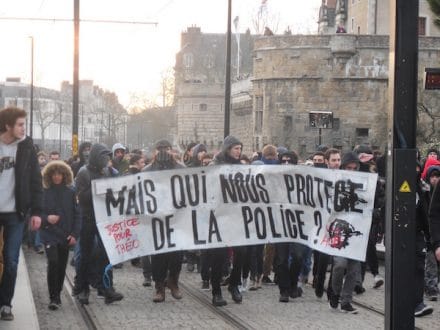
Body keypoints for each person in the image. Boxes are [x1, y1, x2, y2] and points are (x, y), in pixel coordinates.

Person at [0, 107, 43, 321]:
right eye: (19, 124)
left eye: (24, 124)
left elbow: (36, 181)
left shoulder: (26, 146)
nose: (23, 128)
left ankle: (5, 304)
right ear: (7, 125)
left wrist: (36, 212)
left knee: (11, 260)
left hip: (16, 214)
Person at [75, 143, 124, 305]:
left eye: (107, 157)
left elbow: (113, 196)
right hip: (88, 219)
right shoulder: (84, 172)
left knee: (107, 254)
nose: (107, 160)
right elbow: (82, 198)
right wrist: (100, 187)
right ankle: (83, 288)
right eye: (104, 156)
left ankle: (106, 288)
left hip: (104, 219)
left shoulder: (108, 171)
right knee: (85, 255)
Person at [143, 139, 185, 303]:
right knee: (158, 255)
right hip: (157, 219)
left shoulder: (181, 169)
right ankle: (159, 286)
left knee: (176, 254)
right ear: (155, 151)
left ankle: (173, 282)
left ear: (171, 150)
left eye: (166, 149)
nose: (163, 152)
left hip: (176, 218)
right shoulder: (147, 170)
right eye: (160, 149)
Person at [209, 135, 244, 306]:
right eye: (236, 148)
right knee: (219, 256)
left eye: (240, 148)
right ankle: (216, 291)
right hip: (219, 216)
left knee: (242, 253)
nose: (239, 152)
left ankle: (234, 284)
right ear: (228, 149)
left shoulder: (242, 167)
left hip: (237, 216)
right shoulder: (214, 166)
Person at [40, 161, 80, 310]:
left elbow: (78, 214)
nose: (57, 177)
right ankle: (53, 297)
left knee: (62, 265)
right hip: (49, 233)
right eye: (54, 174)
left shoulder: (71, 192)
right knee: (53, 262)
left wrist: (75, 234)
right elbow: (36, 213)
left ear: (65, 175)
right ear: (49, 176)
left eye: (59, 174)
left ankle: (58, 293)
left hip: (65, 235)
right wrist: (47, 218)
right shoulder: (43, 192)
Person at [328, 151, 362, 314]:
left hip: (356, 231)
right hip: (338, 231)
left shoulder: (364, 183)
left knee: (354, 269)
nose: (352, 171)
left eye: (355, 168)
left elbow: (374, 200)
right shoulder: (335, 182)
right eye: (349, 168)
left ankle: (346, 301)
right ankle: (335, 291)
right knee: (340, 265)